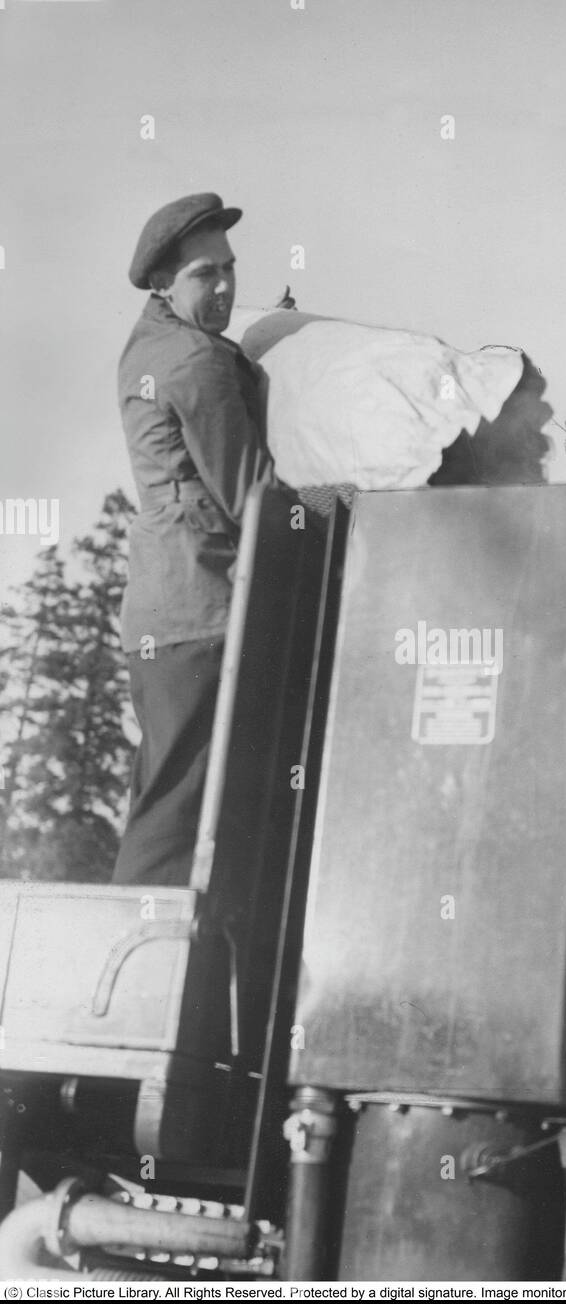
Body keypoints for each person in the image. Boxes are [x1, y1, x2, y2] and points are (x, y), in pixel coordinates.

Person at [111, 193, 275, 886]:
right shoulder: (193, 361)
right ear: (162, 282)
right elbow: (252, 493)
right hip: (200, 609)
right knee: (176, 817)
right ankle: (133, 985)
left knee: (166, 803)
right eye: (207, 274)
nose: (227, 288)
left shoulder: (151, 345)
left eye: (231, 270)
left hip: (161, 615)